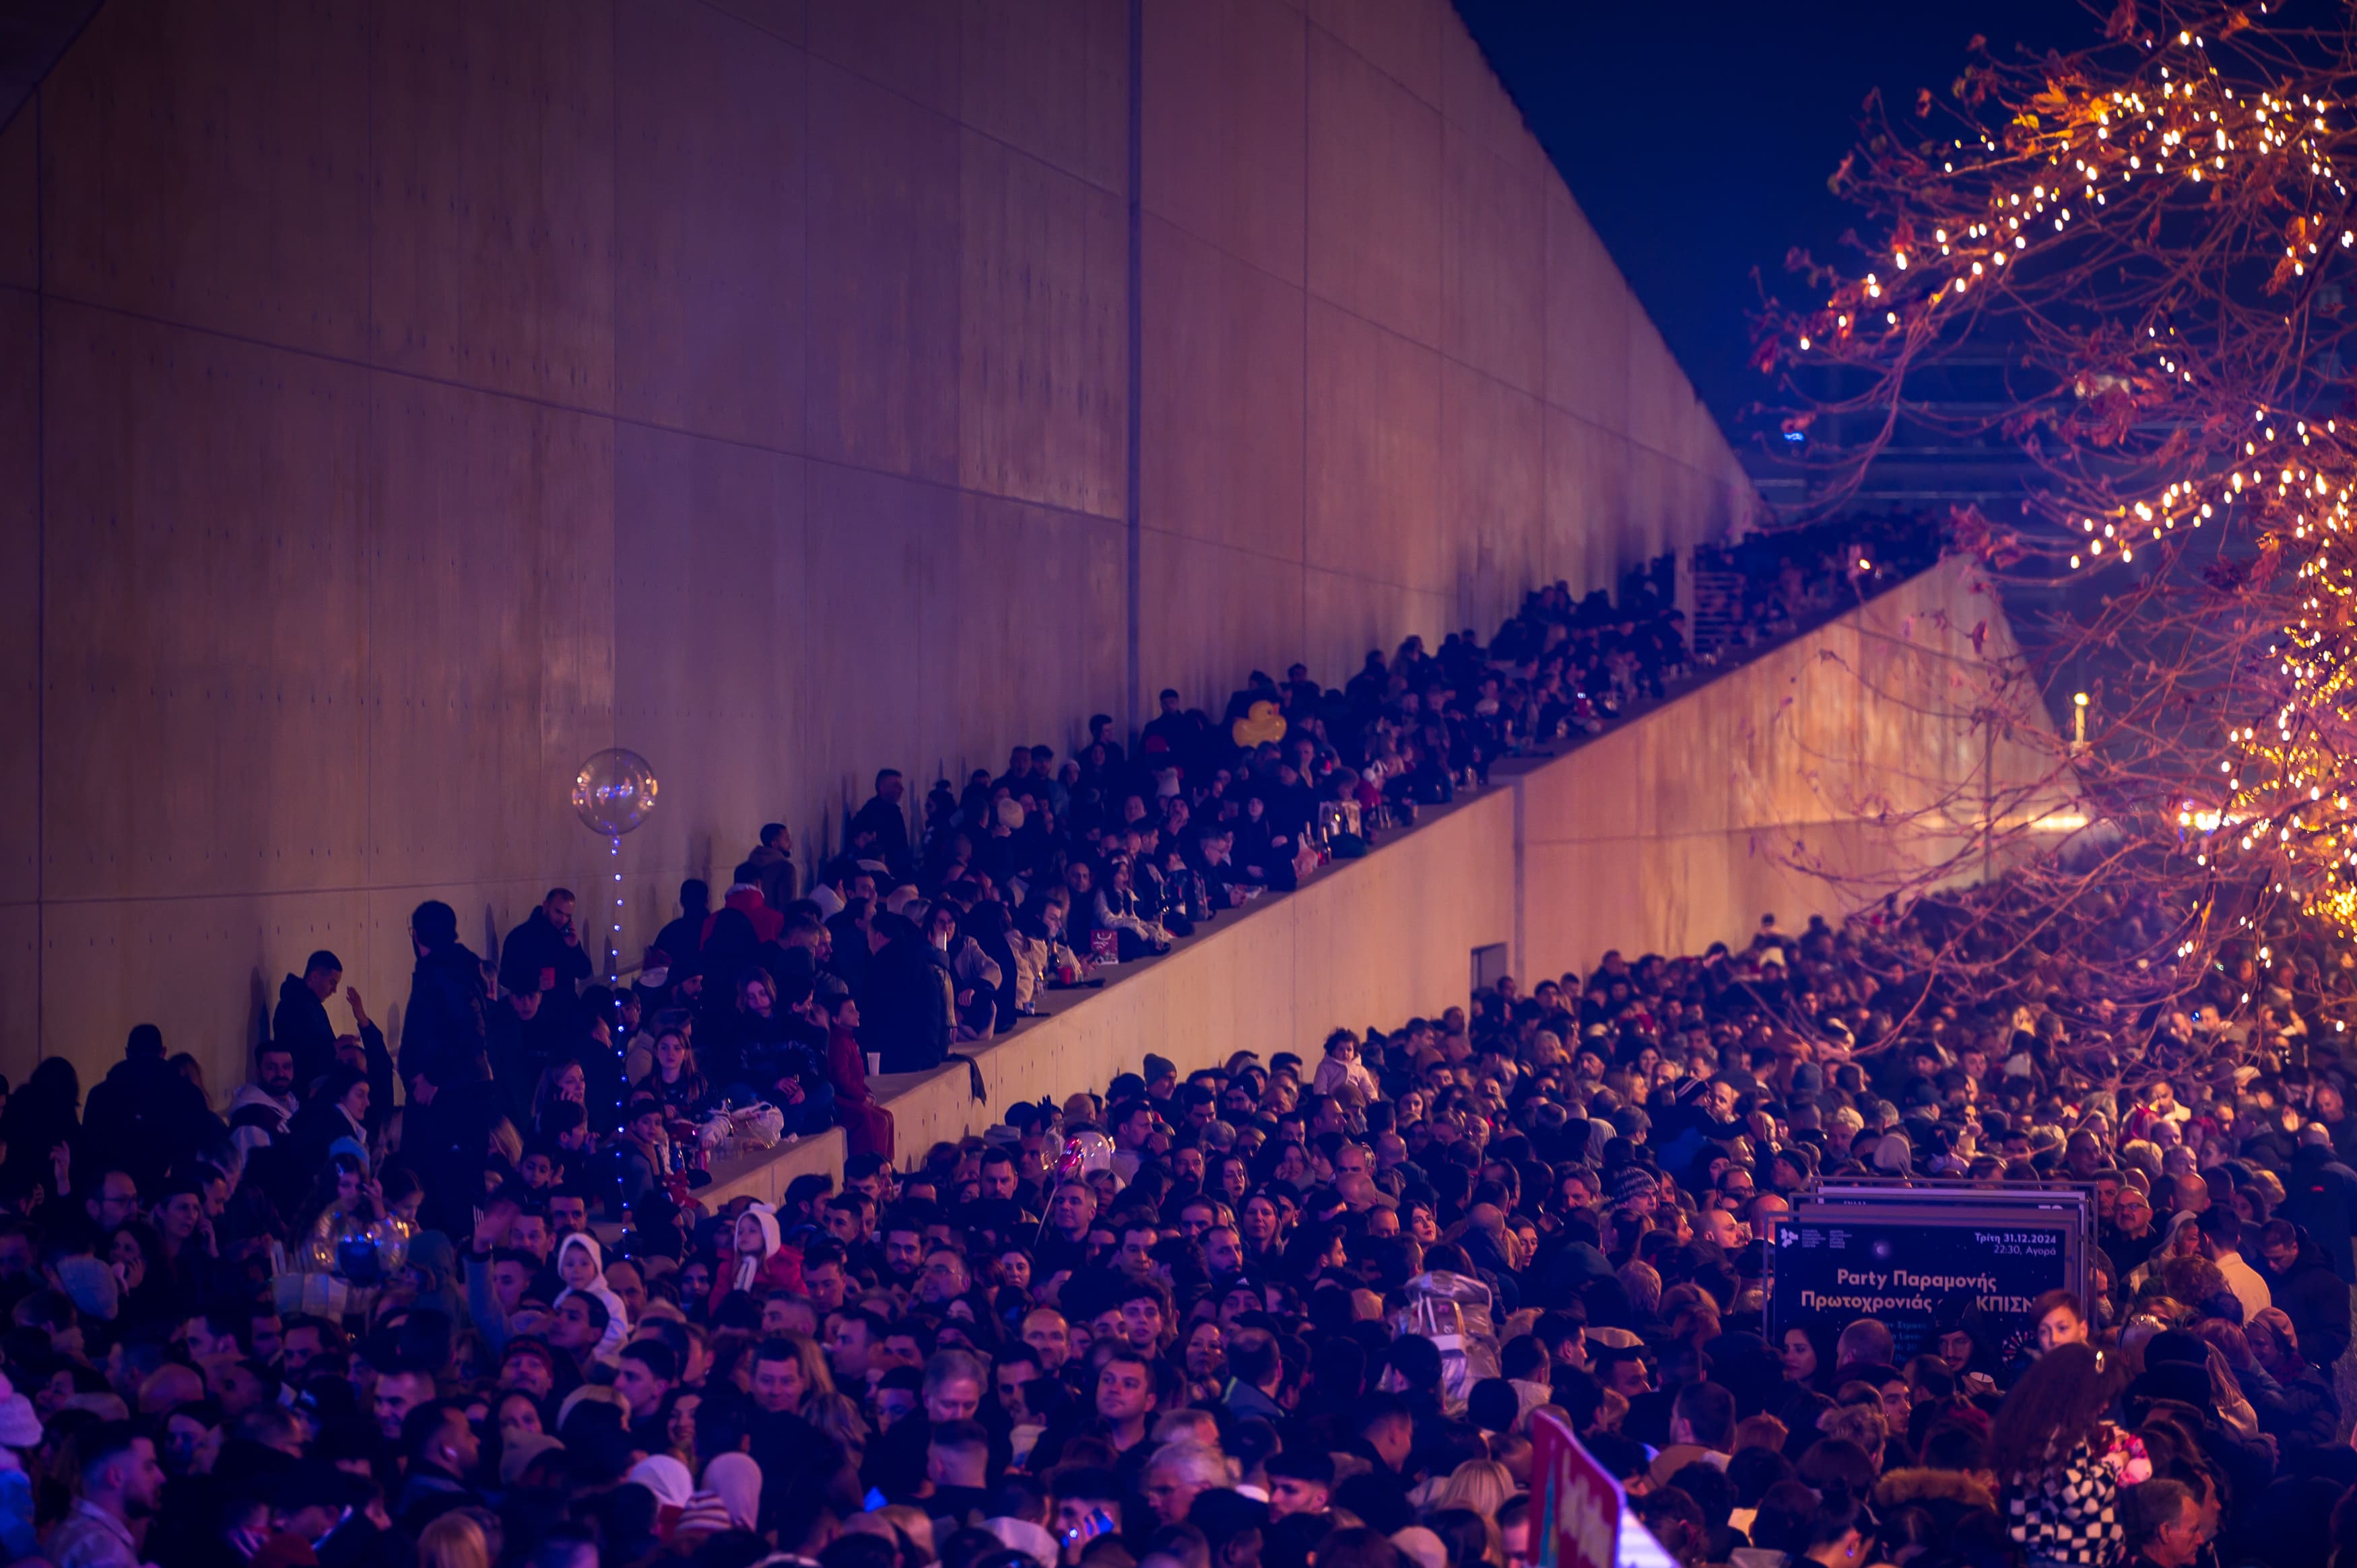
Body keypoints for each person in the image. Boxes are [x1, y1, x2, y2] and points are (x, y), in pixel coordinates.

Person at [43, 1421, 163, 1568]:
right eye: (148, 1467)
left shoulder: (70, 1528)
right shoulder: (105, 1550)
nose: (161, 1477)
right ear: (115, 1477)